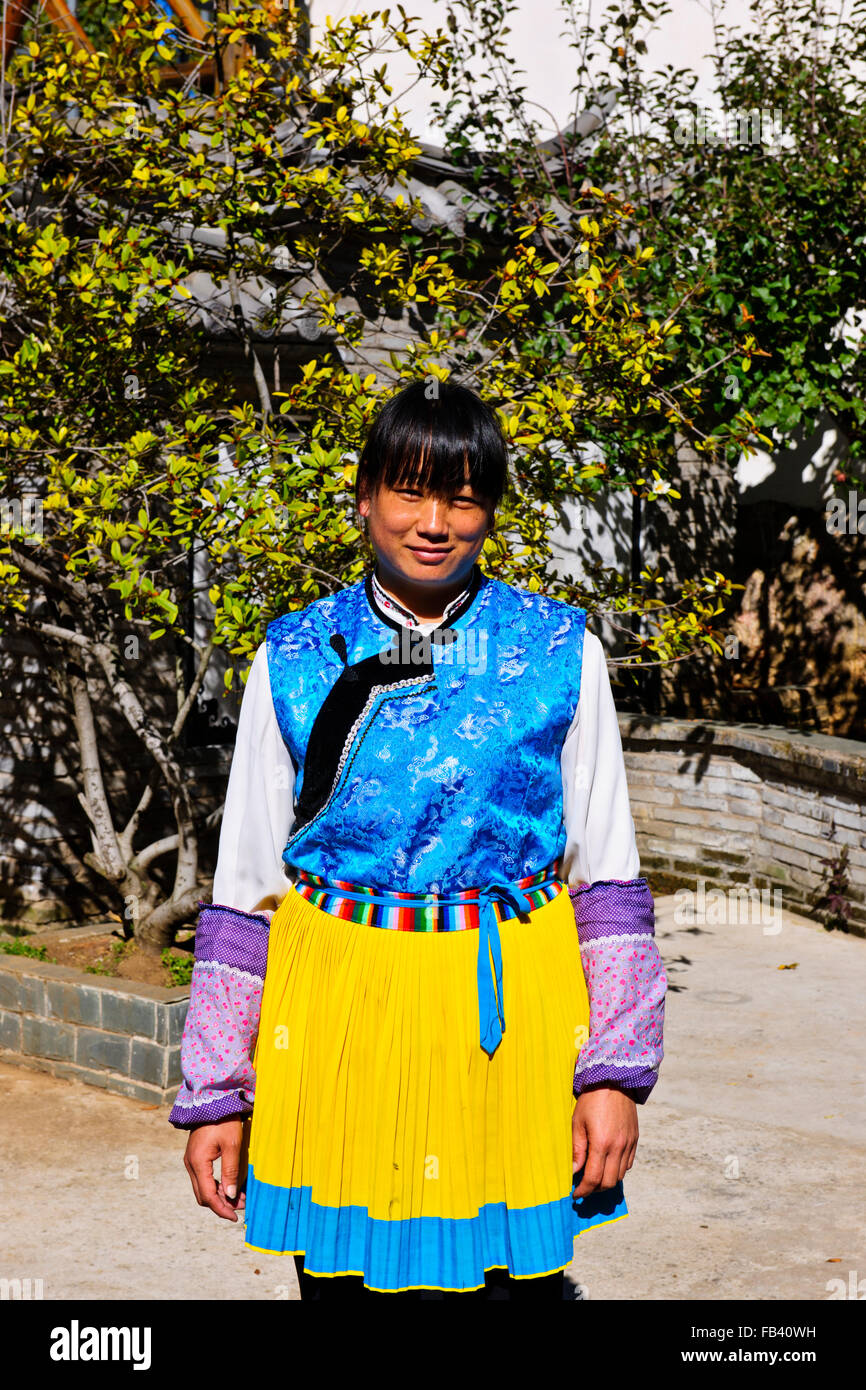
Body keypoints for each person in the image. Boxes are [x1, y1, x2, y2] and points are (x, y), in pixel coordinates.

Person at [169, 379, 667, 1300]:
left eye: (464, 496)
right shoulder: (295, 654)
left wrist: (614, 1076)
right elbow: (245, 893)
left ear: (490, 511)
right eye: (409, 490)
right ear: (365, 497)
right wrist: (218, 1095)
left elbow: (607, 877)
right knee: (344, 1282)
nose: (434, 521)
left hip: (508, 1013)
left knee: (513, 1282)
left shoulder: (558, 649)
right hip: (340, 1010)